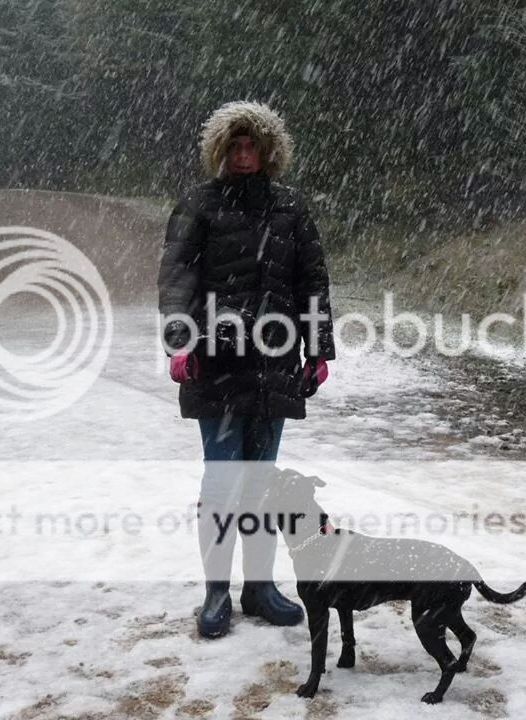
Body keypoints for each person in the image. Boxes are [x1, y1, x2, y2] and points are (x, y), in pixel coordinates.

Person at [157, 101, 336, 638]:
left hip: (277, 363)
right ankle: (216, 593)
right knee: (222, 481)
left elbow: (312, 280)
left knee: (261, 482)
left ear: (268, 150)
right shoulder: (198, 205)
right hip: (217, 362)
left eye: (251, 146)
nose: (243, 155)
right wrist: (180, 342)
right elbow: (177, 279)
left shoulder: (290, 209)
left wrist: (318, 348)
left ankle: (260, 588)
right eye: (234, 146)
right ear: (220, 149)